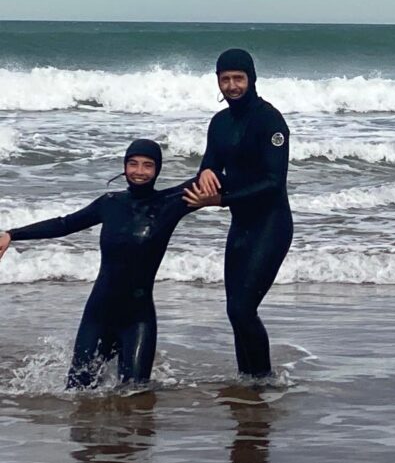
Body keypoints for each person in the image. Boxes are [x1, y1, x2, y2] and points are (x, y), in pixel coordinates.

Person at [0, 140, 209, 389]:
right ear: (124, 166)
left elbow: (217, 174)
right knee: (77, 393)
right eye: (133, 164)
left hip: (138, 320)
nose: (139, 171)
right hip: (98, 316)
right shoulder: (109, 203)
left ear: (157, 170)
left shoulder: (171, 203)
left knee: (135, 396)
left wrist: (219, 191)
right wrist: (12, 234)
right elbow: (65, 224)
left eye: (147, 165)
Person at [185, 49, 293, 379]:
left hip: (271, 224)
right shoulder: (220, 122)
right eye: (225, 79)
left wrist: (221, 199)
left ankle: (263, 382)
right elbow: (212, 161)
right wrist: (205, 172)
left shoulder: (270, 121)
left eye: (238, 78)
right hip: (242, 225)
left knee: (242, 309)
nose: (232, 85)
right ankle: (248, 381)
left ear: (251, 79)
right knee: (235, 312)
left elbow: (273, 182)